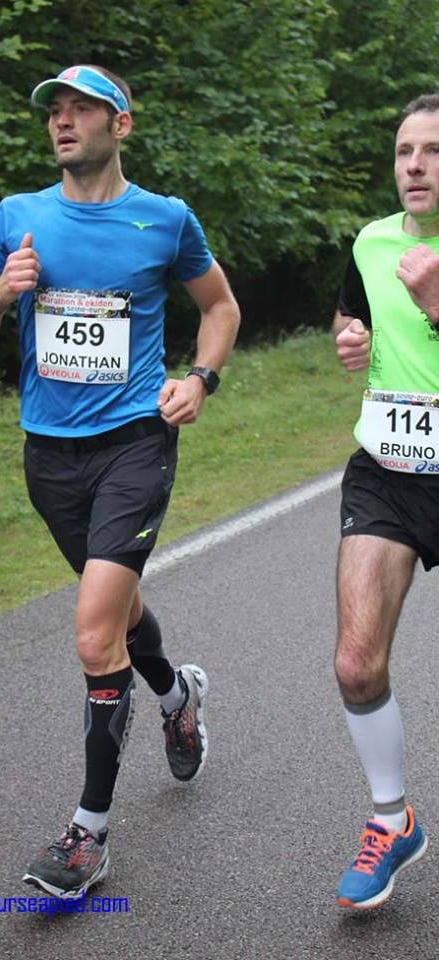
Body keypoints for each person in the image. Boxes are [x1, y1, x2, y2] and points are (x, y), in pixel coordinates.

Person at [0, 64, 240, 899]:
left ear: (121, 123)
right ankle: (178, 694)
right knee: (114, 611)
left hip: (134, 446)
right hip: (49, 457)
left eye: (82, 108)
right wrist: (0, 295)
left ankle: (88, 835)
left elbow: (219, 307)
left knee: (91, 635)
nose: (63, 121)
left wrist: (200, 379)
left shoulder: (165, 219)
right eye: (56, 110)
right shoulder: (19, 216)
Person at [332, 93, 439, 910]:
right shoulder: (371, 242)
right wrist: (351, 337)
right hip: (389, 468)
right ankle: (390, 817)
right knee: (355, 662)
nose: (416, 165)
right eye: (405, 151)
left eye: (433, 151)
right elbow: (352, 313)